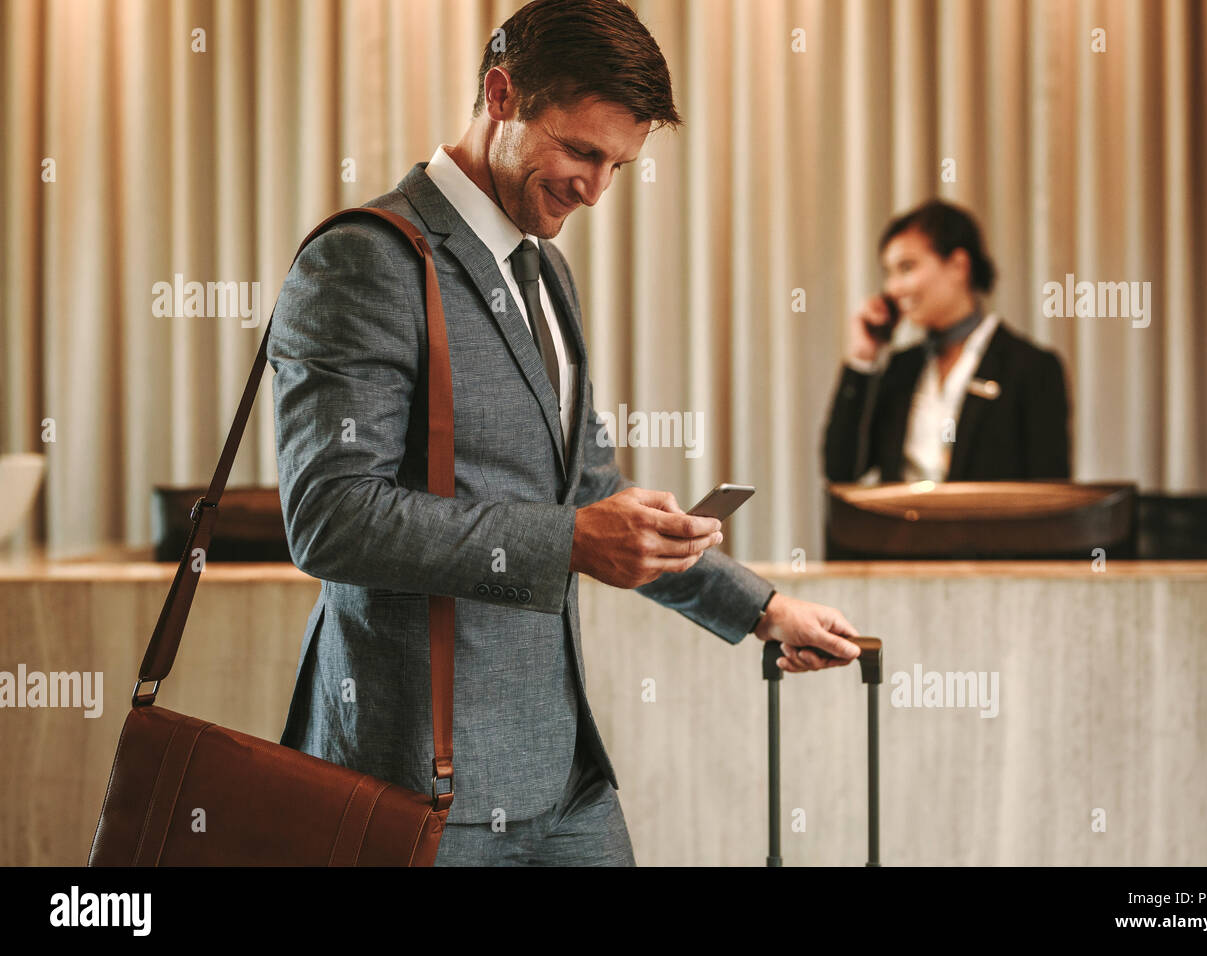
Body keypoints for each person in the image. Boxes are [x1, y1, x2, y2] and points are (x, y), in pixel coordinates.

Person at [268, 0, 862, 867]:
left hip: (564, 770)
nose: (596, 188)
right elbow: (330, 517)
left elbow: (583, 490)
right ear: (500, 94)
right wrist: (574, 540)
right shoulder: (368, 258)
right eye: (581, 151)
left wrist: (764, 610)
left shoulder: (547, 272)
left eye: (619, 163)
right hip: (417, 778)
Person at [823, 199, 1071, 485]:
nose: (893, 288)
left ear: (958, 265)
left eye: (906, 268)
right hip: (901, 530)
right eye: (888, 274)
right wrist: (863, 360)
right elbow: (841, 469)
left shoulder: (1030, 368)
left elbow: (1050, 498)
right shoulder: (902, 368)